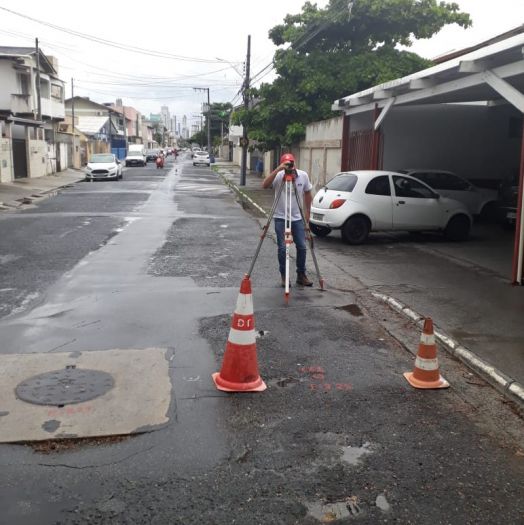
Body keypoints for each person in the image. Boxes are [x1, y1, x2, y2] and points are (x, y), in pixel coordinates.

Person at [262, 153, 313, 287]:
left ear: (295, 163)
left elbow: (308, 193)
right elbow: (264, 185)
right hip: (281, 217)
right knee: (283, 248)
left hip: (297, 218)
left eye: (291, 163)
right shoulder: (279, 175)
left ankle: (301, 275)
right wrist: (279, 169)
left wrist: (308, 213)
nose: (289, 166)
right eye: (286, 164)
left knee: (302, 246)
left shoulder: (303, 176)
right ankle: (284, 276)